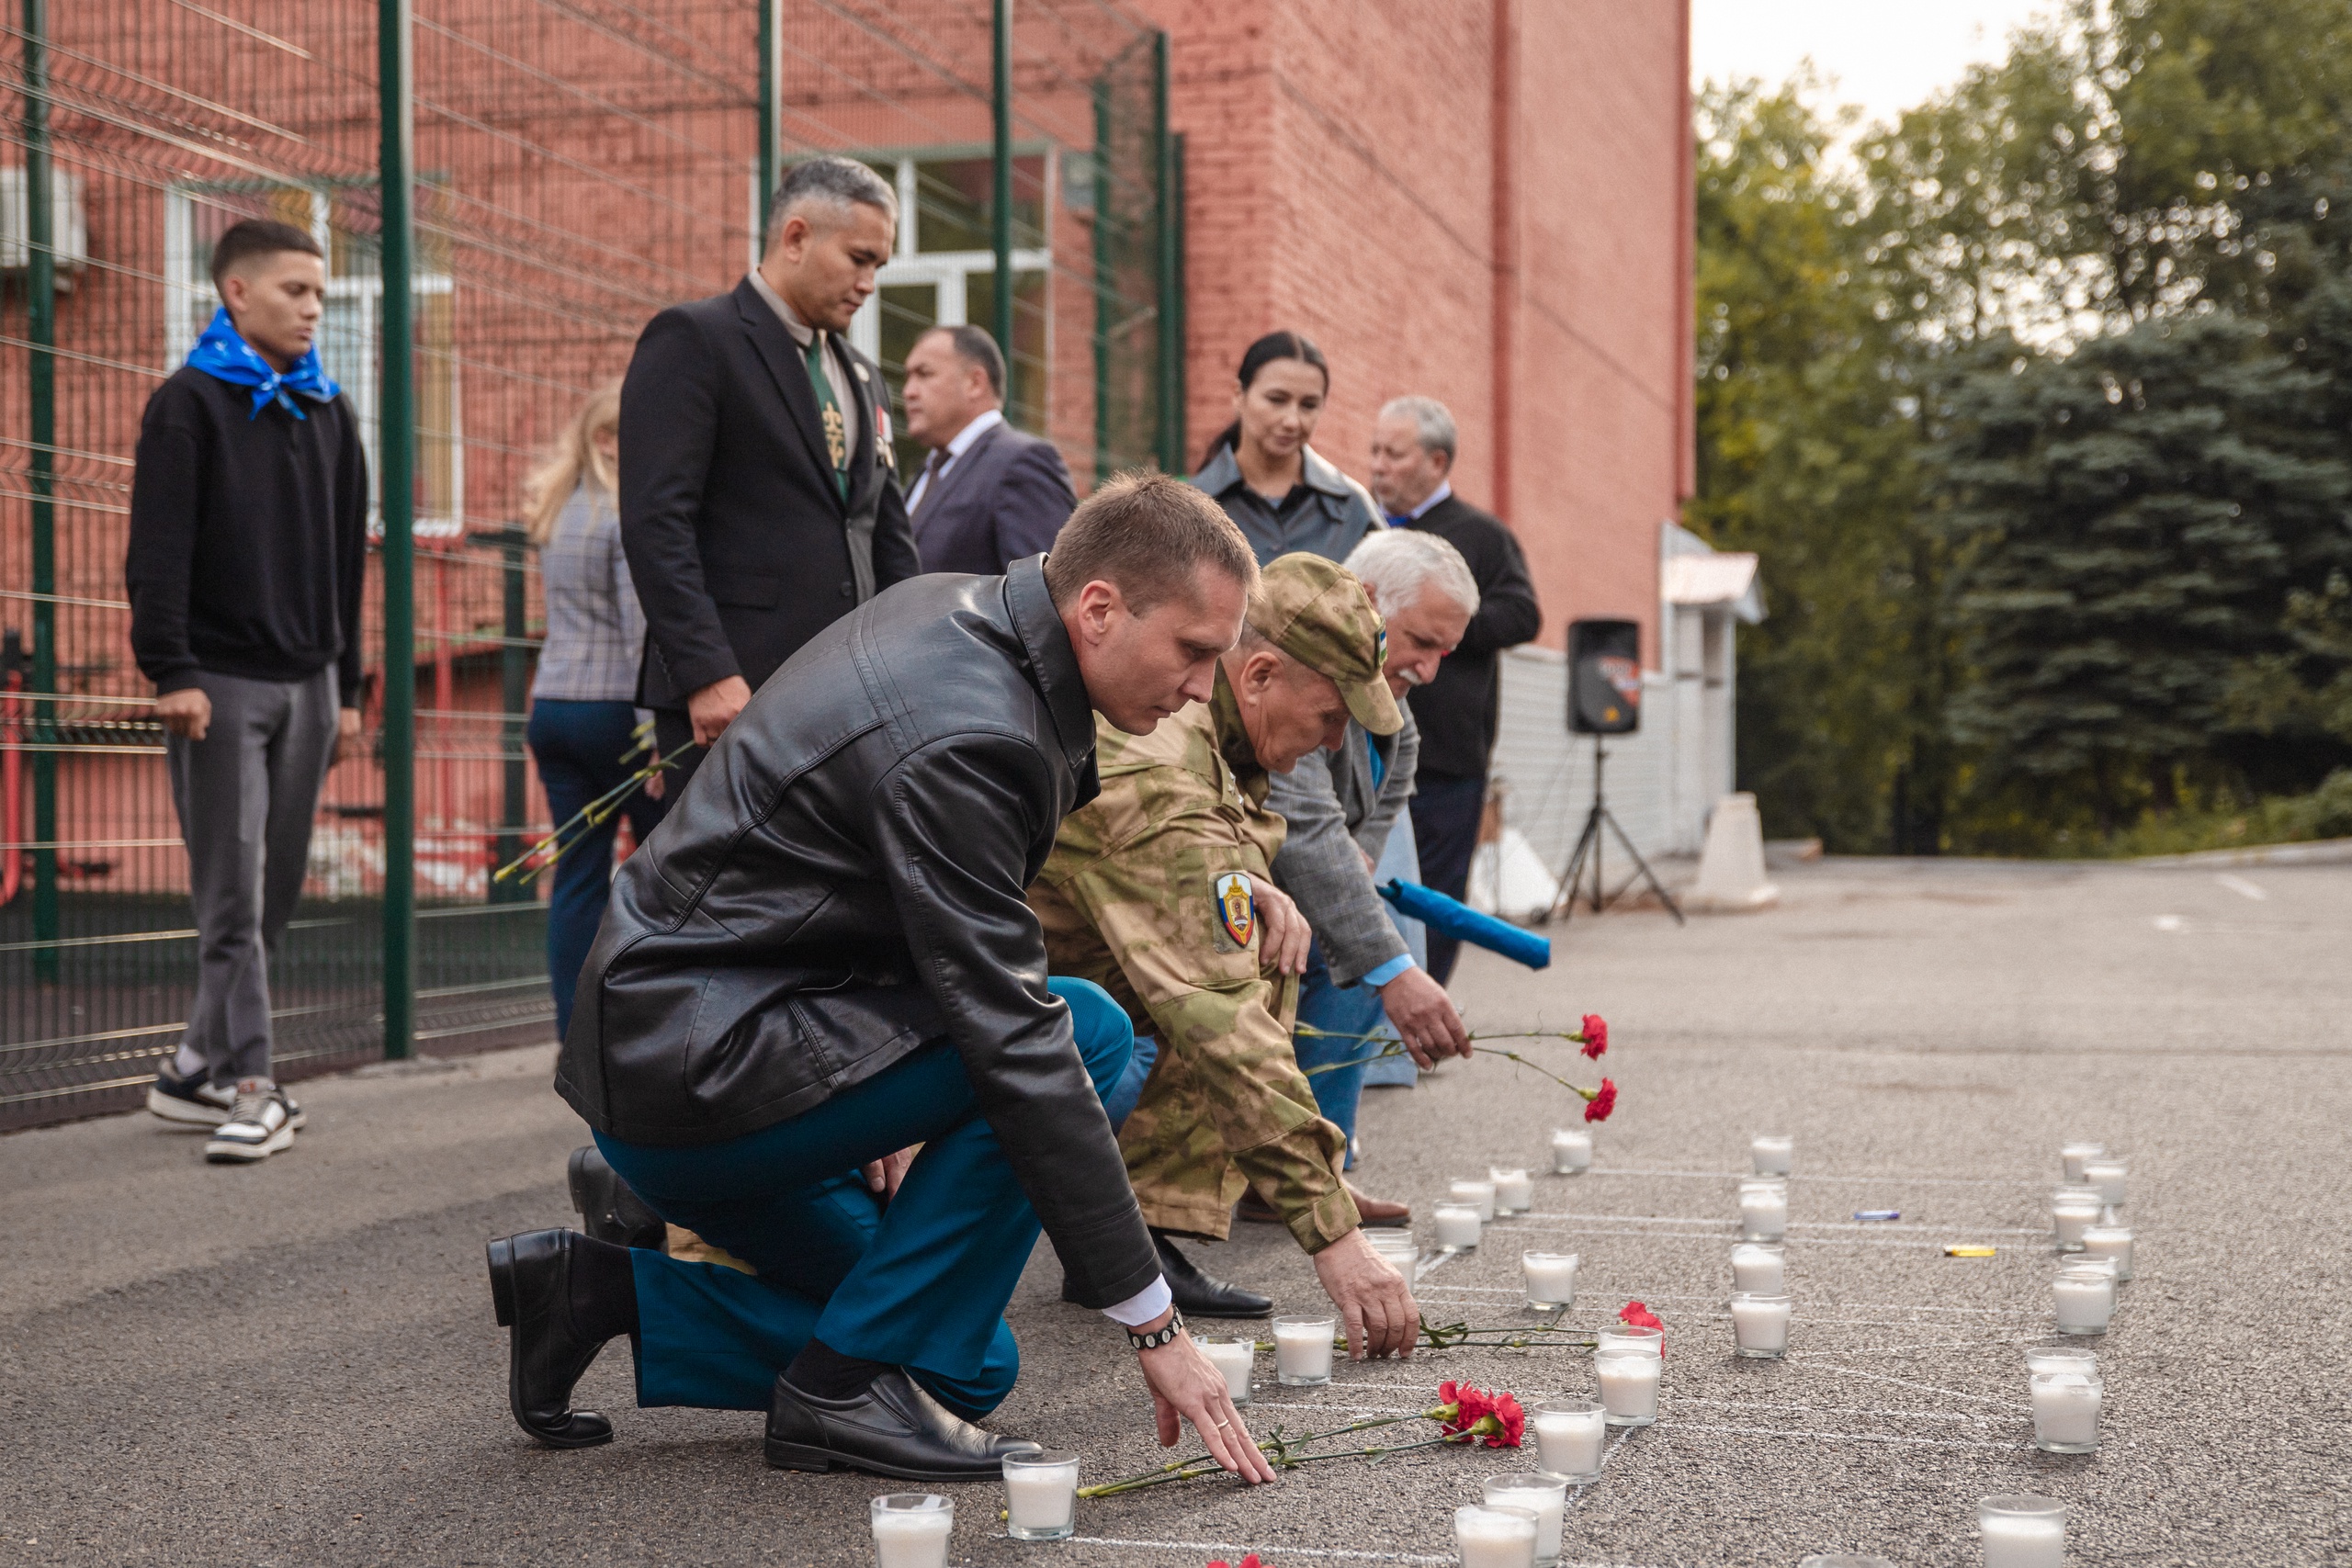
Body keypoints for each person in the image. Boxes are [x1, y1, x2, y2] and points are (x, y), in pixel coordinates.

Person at [487, 475, 1278, 1490]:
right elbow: (1016, 1040)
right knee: (1084, 1030)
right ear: (1098, 607)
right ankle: (832, 1388)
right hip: (699, 1078)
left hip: (691, 1050)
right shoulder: (975, 730)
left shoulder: (960, 613)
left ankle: (597, 1293)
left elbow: (889, 911)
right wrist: (1153, 1323)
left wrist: (885, 1097)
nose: (1205, 688)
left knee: (963, 1367)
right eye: (1194, 651)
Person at [1030, 552, 1427, 1345]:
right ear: (1260, 675)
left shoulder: (1203, 723)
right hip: (957, 1000)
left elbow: (1215, 839)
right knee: (1228, 984)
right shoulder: (1163, 770)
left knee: (1264, 935)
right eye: (1330, 716)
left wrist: (1249, 879)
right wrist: (1336, 1236)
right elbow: (1223, 1020)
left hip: (1031, 957)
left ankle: (1139, 1234)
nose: (1334, 742)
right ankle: (1113, 1242)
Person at [126, 218, 367, 1163]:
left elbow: (347, 564)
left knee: (272, 894)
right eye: (295, 291)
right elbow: (157, 552)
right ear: (237, 292)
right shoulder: (186, 405)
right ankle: (257, 1085)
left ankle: (193, 1064)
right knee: (231, 893)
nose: (313, 309)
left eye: (319, 294)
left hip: (310, 684)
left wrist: (348, 688)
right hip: (218, 686)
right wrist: (173, 670)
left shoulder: (329, 411)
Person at [618, 155, 920, 790]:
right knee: (728, 860)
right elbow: (656, 521)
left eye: (879, 266)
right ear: (796, 237)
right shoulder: (695, 340)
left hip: (850, 703)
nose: (869, 283)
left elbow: (886, 537)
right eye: (859, 258)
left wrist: (912, 665)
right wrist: (706, 672)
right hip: (737, 699)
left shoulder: (865, 377)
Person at [1260, 530, 1478, 1201]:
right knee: (1361, 951)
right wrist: (1394, 970)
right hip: (1240, 888)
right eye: (1422, 642)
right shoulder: (1302, 668)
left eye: (1444, 653)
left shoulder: (1392, 703)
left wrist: (1363, 849)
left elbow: (1397, 767)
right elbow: (1304, 821)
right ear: (1368, 599)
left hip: (1286, 888)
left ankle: (1318, 1166)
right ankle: (1293, 1176)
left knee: (1356, 942)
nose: (1429, 670)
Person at [1367, 397, 1541, 985]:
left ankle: (1422, 1015)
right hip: (1362, 743)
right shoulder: (1364, 525)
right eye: (1375, 451)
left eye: (1394, 454)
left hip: (1445, 757)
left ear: (1437, 462)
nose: (1378, 465)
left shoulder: (1482, 536)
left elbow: (1522, 615)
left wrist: (1439, 628)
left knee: (1434, 902)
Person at [521, 383, 668, 1043]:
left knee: (577, 879)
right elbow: (639, 636)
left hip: (553, 706)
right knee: (663, 874)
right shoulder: (624, 518)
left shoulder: (560, 509)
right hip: (616, 715)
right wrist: (653, 731)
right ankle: (645, 1036)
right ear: (607, 439)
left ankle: (573, 1037)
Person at [1193, 331, 1381, 566]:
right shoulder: (1192, 508)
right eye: (1277, 400)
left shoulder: (1353, 509)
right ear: (1239, 395)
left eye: (1308, 405)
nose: (1292, 421)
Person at [901, 324, 1076, 573]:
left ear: (975, 382)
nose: (908, 392)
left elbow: (1044, 588)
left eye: (924, 374)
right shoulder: (929, 471)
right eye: (907, 377)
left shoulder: (1023, 463)